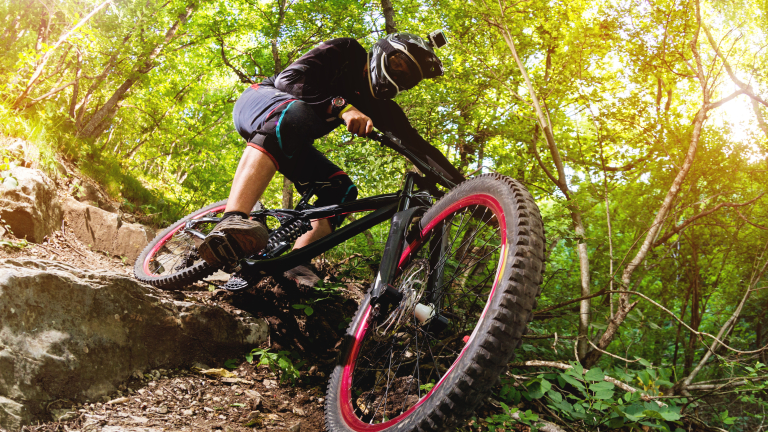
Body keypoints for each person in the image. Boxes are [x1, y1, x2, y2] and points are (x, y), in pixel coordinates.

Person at [197, 32, 464, 286]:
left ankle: (297, 262)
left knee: (343, 190)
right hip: (260, 102)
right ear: (385, 51)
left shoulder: (382, 107)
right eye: (399, 64)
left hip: (290, 137)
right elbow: (289, 79)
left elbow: (420, 147)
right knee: (295, 115)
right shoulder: (346, 51)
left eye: (408, 77)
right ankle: (232, 218)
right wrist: (343, 107)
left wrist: (466, 189)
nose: (399, 76)